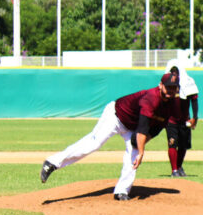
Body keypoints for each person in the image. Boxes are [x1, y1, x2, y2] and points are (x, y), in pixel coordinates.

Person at [39, 73, 181, 201]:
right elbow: (143, 127)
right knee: (94, 143)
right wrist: (142, 151)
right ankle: (52, 163)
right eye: (168, 87)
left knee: (134, 154)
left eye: (174, 87)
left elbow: (155, 129)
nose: (171, 90)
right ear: (160, 85)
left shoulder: (172, 105)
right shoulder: (151, 98)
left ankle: (121, 192)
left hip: (132, 126)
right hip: (116, 116)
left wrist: (141, 145)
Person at [164, 61, 199, 177]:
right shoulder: (167, 84)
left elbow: (194, 100)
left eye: (176, 72)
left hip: (185, 120)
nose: (174, 74)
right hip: (171, 121)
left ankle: (179, 167)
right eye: (172, 72)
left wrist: (195, 117)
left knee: (183, 145)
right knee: (172, 144)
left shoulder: (188, 83)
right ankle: (174, 170)